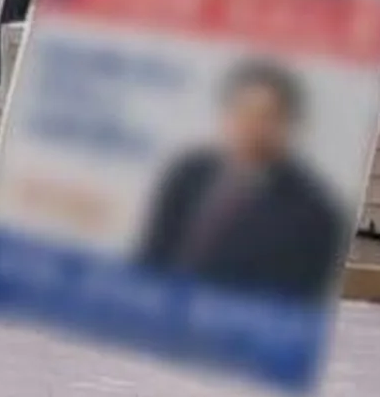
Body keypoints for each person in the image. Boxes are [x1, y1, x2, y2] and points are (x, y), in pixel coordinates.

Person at [133, 59, 356, 299]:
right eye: (241, 111)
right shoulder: (188, 172)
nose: (249, 125)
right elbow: (150, 256)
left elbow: (296, 303)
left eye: (264, 116)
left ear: (287, 124)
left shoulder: (313, 214)